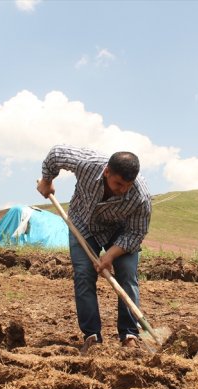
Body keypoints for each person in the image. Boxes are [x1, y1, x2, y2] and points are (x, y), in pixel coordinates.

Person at [36, 144, 152, 353]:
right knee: (84, 274)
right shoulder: (88, 164)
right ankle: (92, 336)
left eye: (128, 185)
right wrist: (47, 181)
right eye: (118, 183)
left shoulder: (140, 196)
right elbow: (56, 154)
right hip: (82, 224)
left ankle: (129, 334)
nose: (123, 189)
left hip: (119, 232)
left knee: (127, 274)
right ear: (107, 171)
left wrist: (110, 254)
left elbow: (136, 233)